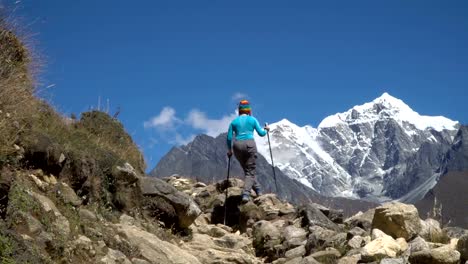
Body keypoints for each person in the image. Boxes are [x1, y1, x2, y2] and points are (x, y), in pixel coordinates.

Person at [227, 100, 269, 203]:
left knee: (247, 172)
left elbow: (228, 138)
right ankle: (246, 194)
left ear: (239, 111)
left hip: (237, 146)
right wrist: (267, 129)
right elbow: (261, 133)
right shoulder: (252, 120)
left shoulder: (234, 122)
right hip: (250, 145)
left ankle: (258, 190)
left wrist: (229, 150)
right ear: (249, 110)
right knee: (250, 172)